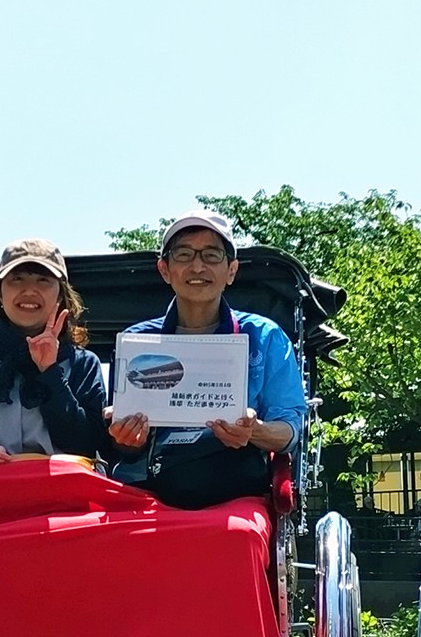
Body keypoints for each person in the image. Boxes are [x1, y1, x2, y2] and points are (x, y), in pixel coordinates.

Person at [106, 212, 304, 509]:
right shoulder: (136, 342)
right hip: (149, 490)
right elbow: (123, 447)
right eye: (184, 254)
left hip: (236, 494)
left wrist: (254, 431)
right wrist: (124, 436)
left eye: (211, 255)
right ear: (165, 270)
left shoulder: (264, 337)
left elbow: (290, 429)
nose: (197, 266)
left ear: (231, 271)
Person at [0, 239, 108, 488]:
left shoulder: (82, 364)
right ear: (0, 294)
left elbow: (88, 443)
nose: (30, 290)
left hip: (67, 503)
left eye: (43, 280)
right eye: (17, 279)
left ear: (61, 295)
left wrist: (49, 374)